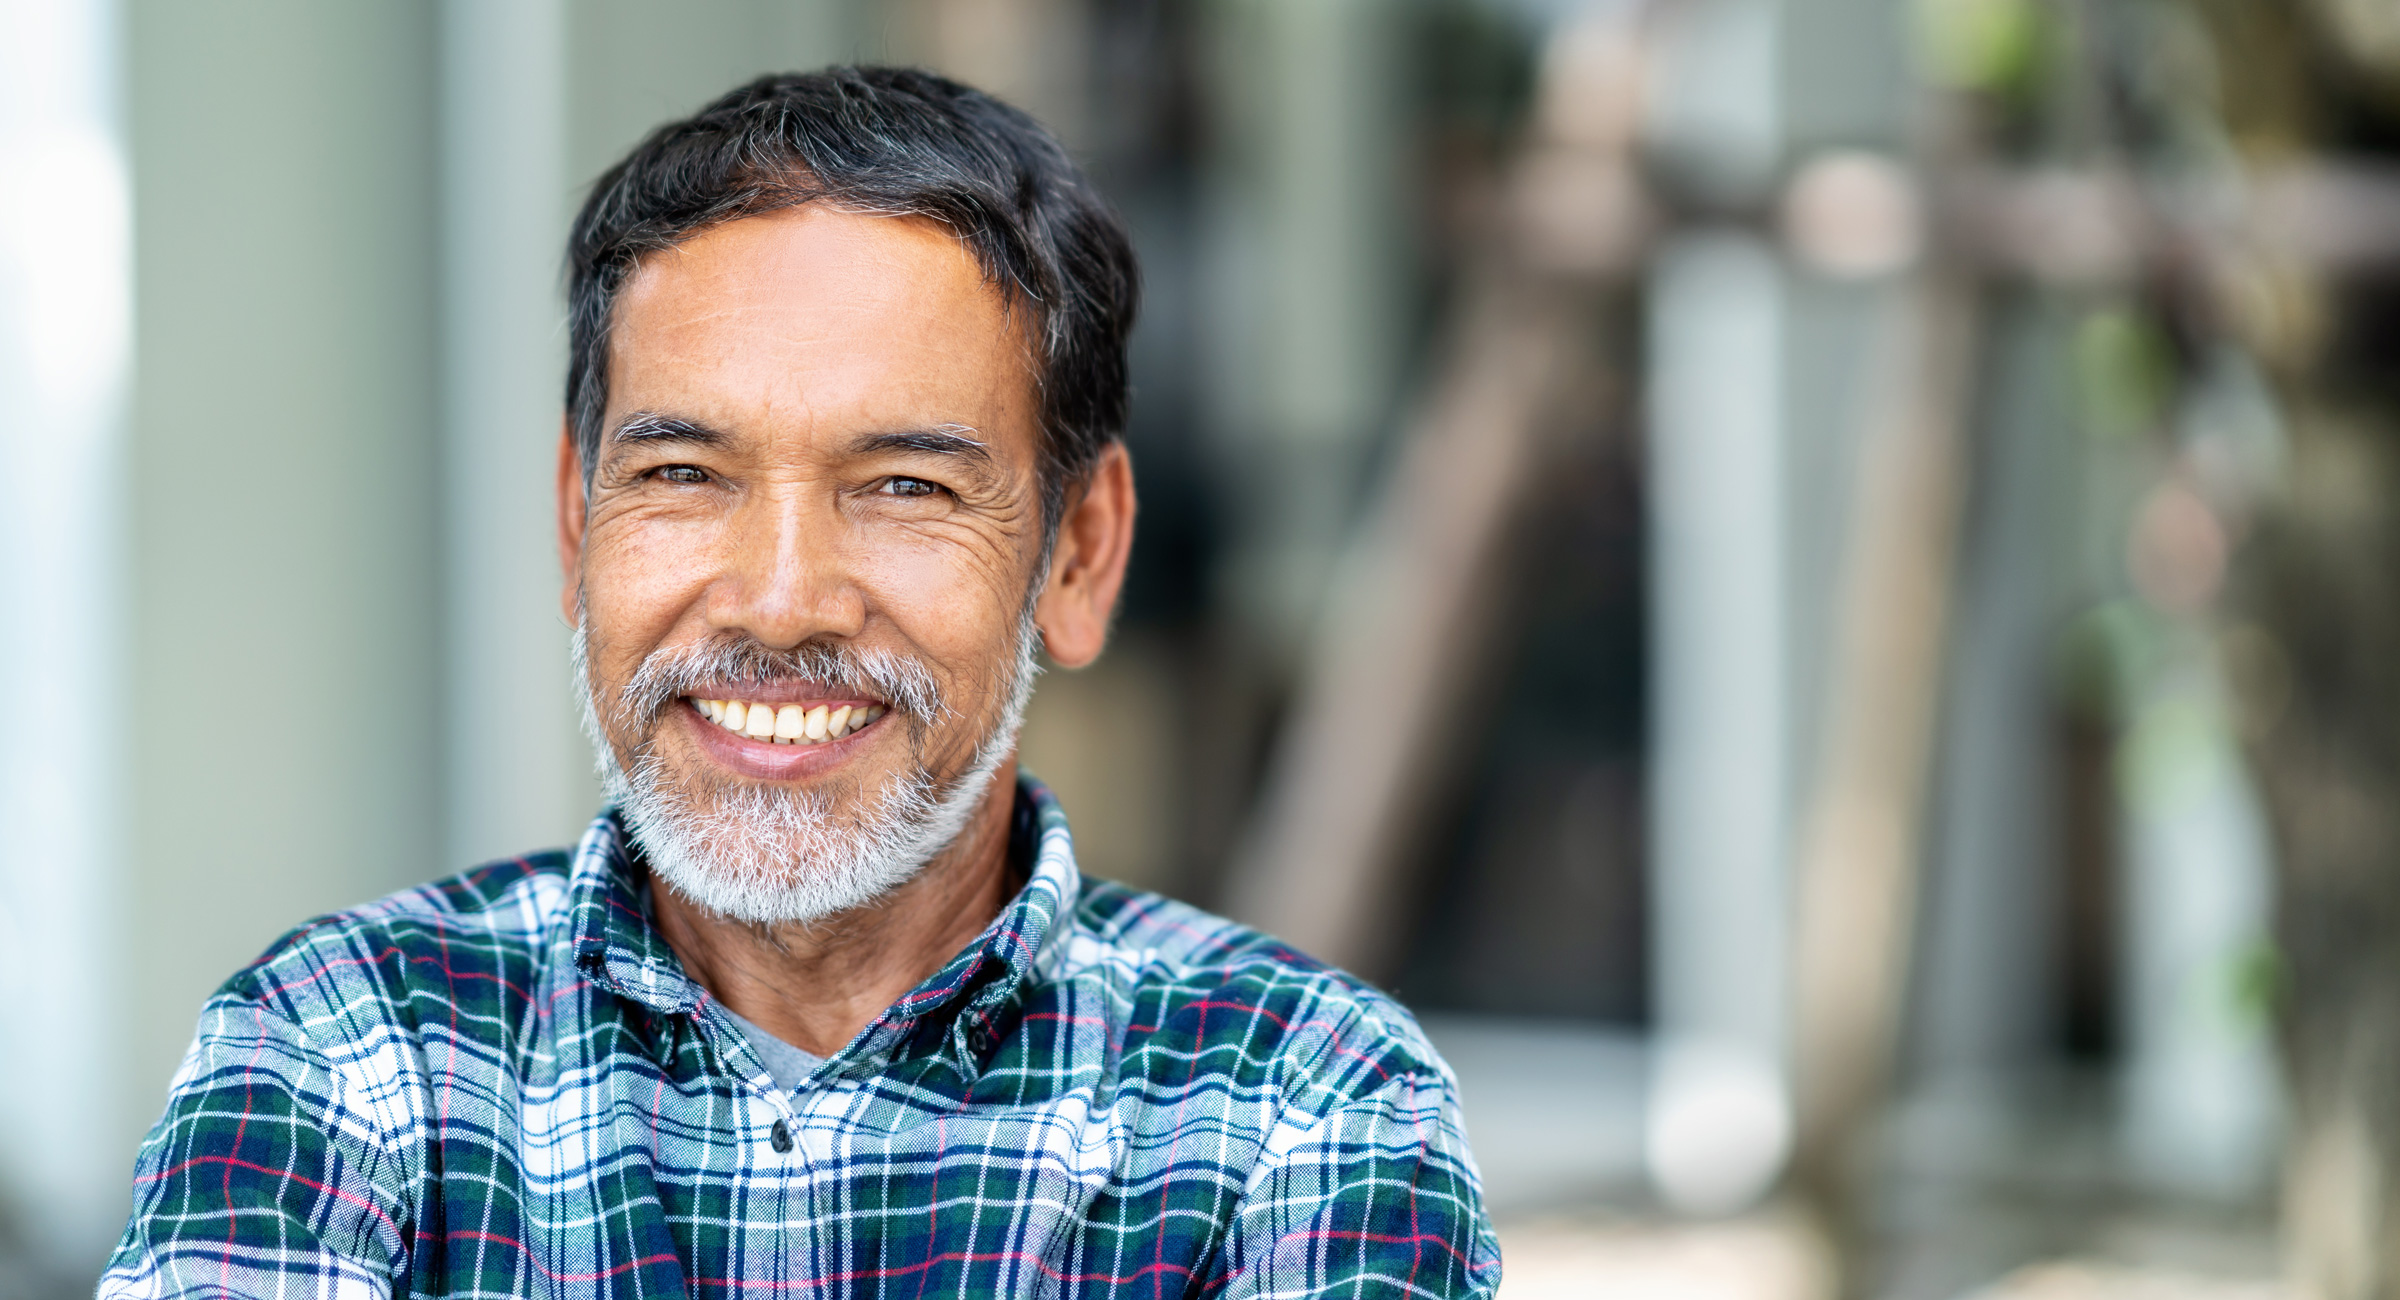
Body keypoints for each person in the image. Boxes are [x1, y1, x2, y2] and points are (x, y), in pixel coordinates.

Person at [102, 67, 1496, 1297]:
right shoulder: (343, 1053)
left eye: (902, 484)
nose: (780, 599)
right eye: (684, 476)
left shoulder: (1302, 1106)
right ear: (578, 526)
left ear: (1079, 554)